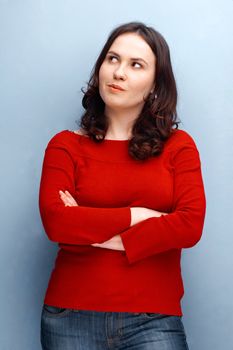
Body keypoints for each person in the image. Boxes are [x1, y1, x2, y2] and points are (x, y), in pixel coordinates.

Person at [39, 21, 206, 350]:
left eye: (136, 64)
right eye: (112, 59)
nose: (118, 72)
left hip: (153, 317)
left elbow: (189, 226)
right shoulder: (65, 146)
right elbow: (58, 222)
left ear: (155, 84)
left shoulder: (179, 147)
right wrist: (140, 216)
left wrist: (95, 232)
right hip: (69, 316)